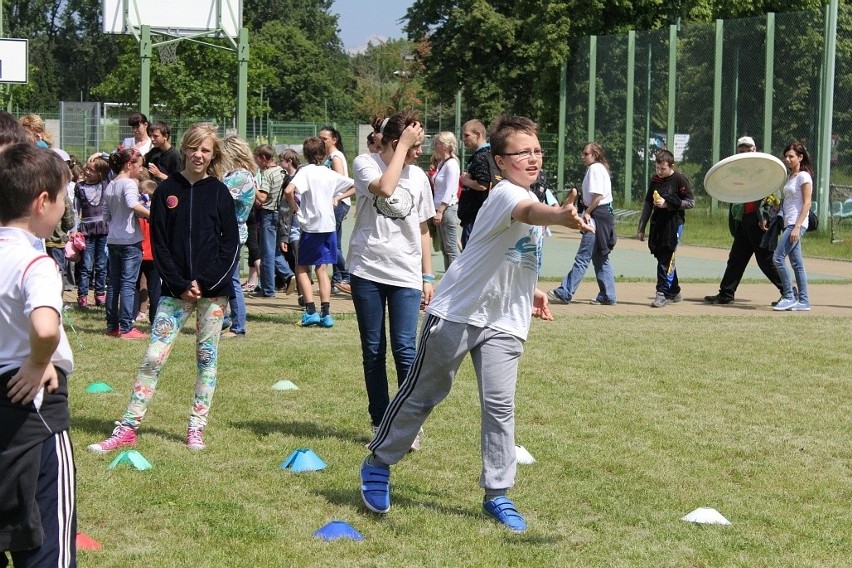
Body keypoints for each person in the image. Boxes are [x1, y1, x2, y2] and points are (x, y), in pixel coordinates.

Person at [359, 116, 587, 533]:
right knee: (425, 394)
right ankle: (378, 462)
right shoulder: (505, 193)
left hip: (505, 319)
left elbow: (517, 252)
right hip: (458, 312)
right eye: (523, 152)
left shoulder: (525, 191)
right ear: (500, 161)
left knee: (500, 407)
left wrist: (530, 290)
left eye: (537, 151)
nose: (533, 158)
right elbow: (531, 213)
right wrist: (558, 215)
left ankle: (498, 493)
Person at [88, 123, 239, 454]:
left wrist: (205, 282)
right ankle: (128, 426)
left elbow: (230, 245)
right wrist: (181, 284)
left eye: (206, 150)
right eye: (194, 148)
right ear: (184, 148)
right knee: (153, 356)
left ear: (213, 155)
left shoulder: (219, 192)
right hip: (174, 292)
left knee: (206, 358)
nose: (198, 155)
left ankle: (196, 427)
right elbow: (159, 243)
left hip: (213, 293)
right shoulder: (167, 190)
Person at [0, 143, 77, 568]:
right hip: (33, 412)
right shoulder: (35, 262)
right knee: (47, 546)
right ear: (42, 202)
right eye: (62, 199)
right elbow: (45, 327)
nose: (63, 209)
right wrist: (36, 361)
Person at [349, 111, 436, 444]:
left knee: (405, 350)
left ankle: (407, 422)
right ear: (396, 142)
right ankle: (379, 419)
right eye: (415, 144)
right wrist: (402, 148)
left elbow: (424, 229)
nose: (419, 150)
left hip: (406, 273)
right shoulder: (365, 163)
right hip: (367, 270)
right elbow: (385, 188)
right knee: (373, 350)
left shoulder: (418, 177)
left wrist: (427, 275)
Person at [704, 136, 784, 305]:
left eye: (747, 150)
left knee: (766, 260)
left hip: (759, 222)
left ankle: (789, 293)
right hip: (744, 220)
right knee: (736, 258)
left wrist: (766, 218)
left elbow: (773, 199)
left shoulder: (765, 170)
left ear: (754, 150)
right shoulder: (736, 171)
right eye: (741, 150)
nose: (744, 153)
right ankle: (726, 293)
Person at [284, 136, 354, 327]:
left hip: (311, 226)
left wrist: (295, 209)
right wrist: (339, 197)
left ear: (306, 154)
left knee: (302, 268)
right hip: (328, 226)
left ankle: (310, 311)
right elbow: (354, 185)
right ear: (324, 154)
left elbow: (289, 191)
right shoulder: (329, 173)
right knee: (322, 269)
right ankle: (326, 313)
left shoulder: (305, 172)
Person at [549, 142, 618, 305]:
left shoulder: (595, 169)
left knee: (583, 256)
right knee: (601, 257)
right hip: (603, 216)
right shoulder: (599, 168)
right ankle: (608, 295)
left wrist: (586, 213)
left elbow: (598, 197)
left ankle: (565, 292)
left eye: (586, 154)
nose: (583, 156)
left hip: (596, 217)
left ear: (595, 155)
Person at [636, 149, 694, 308]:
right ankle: (674, 291)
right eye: (657, 168)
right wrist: (641, 227)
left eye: (663, 169)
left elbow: (690, 202)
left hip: (674, 223)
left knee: (666, 257)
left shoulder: (679, 179)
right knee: (660, 254)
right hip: (658, 223)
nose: (659, 172)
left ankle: (661, 293)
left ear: (671, 166)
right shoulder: (655, 180)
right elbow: (648, 204)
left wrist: (668, 204)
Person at [103, 148, 150, 338]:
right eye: (139, 165)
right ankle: (127, 327)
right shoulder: (129, 183)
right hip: (130, 240)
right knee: (129, 284)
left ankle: (112, 326)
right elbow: (132, 204)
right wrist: (152, 214)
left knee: (114, 284)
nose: (141, 169)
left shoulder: (110, 185)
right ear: (129, 165)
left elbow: (106, 215)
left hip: (113, 239)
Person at [220, 134, 258, 338]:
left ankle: (238, 325)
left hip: (233, 233)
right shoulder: (234, 174)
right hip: (227, 233)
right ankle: (224, 319)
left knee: (232, 279)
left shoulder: (240, 177)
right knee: (225, 278)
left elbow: (217, 195)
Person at [772, 142, 813, 311]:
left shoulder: (804, 176)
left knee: (777, 258)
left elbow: (807, 203)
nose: (787, 159)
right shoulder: (791, 177)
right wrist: (776, 205)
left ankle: (789, 295)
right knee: (796, 263)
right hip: (788, 222)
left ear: (800, 157)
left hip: (796, 223)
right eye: (786, 156)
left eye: (791, 156)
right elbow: (787, 202)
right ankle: (804, 301)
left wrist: (797, 227)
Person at [319, 126, 354, 294]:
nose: (321, 141)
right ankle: (338, 280)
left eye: (324, 139)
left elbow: (342, 181)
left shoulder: (335, 157)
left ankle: (347, 274)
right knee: (335, 243)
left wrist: (338, 199)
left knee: (332, 244)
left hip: (337, 204)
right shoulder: (329, 157)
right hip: (335, 204)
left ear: (334, 140)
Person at [73, 157, 111, 309]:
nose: (87, 172)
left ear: (100, 173)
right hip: (87, 230)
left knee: (101, 265)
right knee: (86, 265)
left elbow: (111, 164)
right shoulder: (79, 187)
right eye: (86, 168)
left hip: (103, 229)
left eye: (91, 170)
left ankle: (100, 294)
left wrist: (99, 154)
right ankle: (82, 296)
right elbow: (76, 210)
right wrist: (74, 230)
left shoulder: (105, 184)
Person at [458, 119, 501, 248]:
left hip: (475, 215)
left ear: (478, 134)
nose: (464, 139)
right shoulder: (488, 154)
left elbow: (483, 184)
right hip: (480, 214)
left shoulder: (482, 156)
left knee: (470, 252)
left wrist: (466, 181)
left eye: (466, 135)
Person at [252, 144, 287, 298]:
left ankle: (268, 290)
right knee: (274, 251)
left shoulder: (267, 174)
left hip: (268, 214)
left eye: (257, 160)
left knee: (266, 254)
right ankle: (289, 275)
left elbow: (262, 197)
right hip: (280, 214)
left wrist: (251, 186)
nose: (257, 163)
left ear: (264, 159)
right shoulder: (282, 171)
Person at [429, 131, 462, 270]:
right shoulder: (441, 163)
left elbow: (450, 189)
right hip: (439, 208)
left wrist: (440, 211)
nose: (435, 146)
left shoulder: (452, 164)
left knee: (451, 248)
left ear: (446, 146)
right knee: (444, 247)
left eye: (438, 143)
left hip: (447, 209)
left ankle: (456, 282)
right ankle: (450, 279)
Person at [134, 179, 160, 324]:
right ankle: (155, 318)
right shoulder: (156, 213)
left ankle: (131, 315)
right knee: (154, 289)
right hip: (154, 255)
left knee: (135, 286)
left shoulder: (138, 214)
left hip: (138, 252)